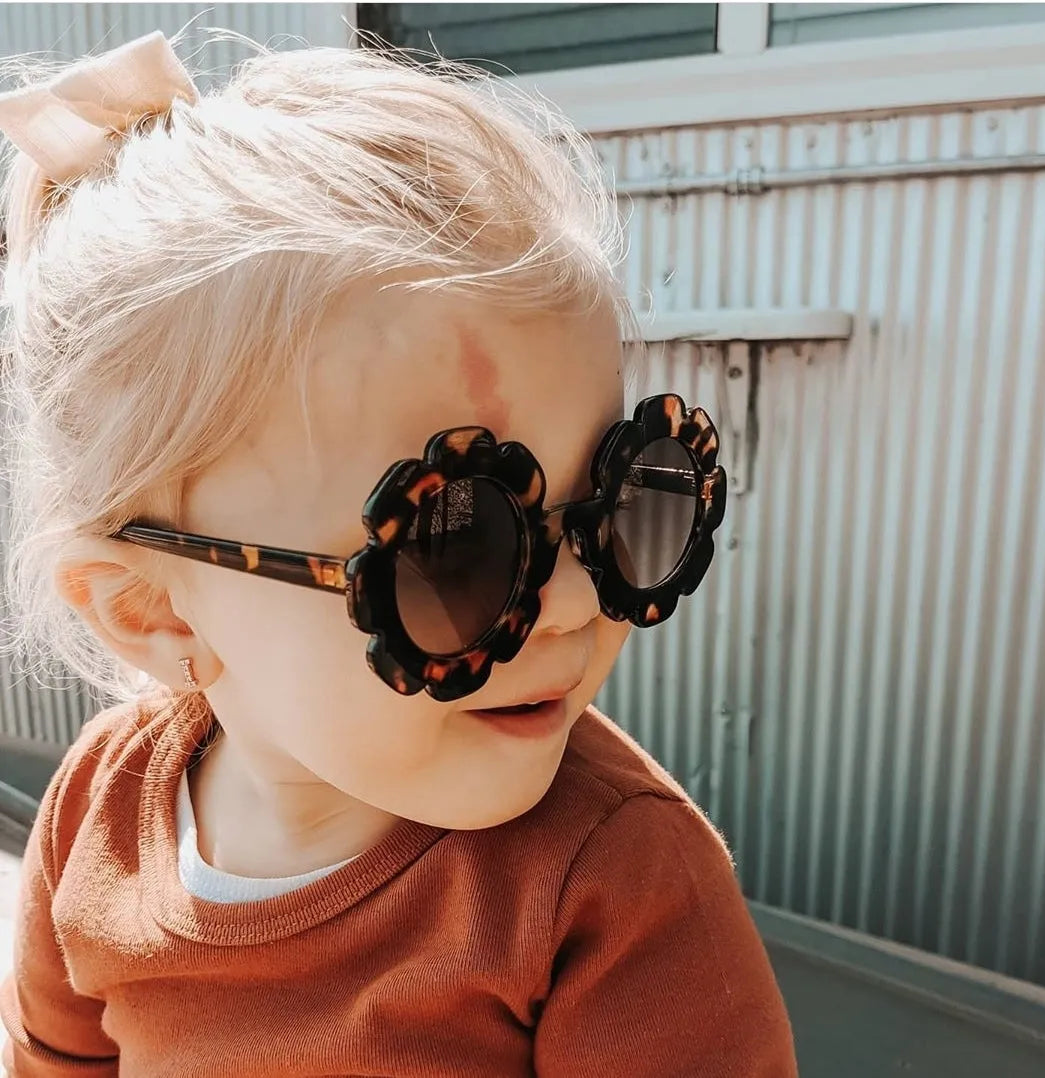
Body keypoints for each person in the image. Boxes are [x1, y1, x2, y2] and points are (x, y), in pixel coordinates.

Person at [0, 28, 796, 1078]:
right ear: (157, 612)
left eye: (615, 500)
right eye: (457, 544)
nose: (567, 605)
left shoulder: (614, 887)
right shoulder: (100, 811)